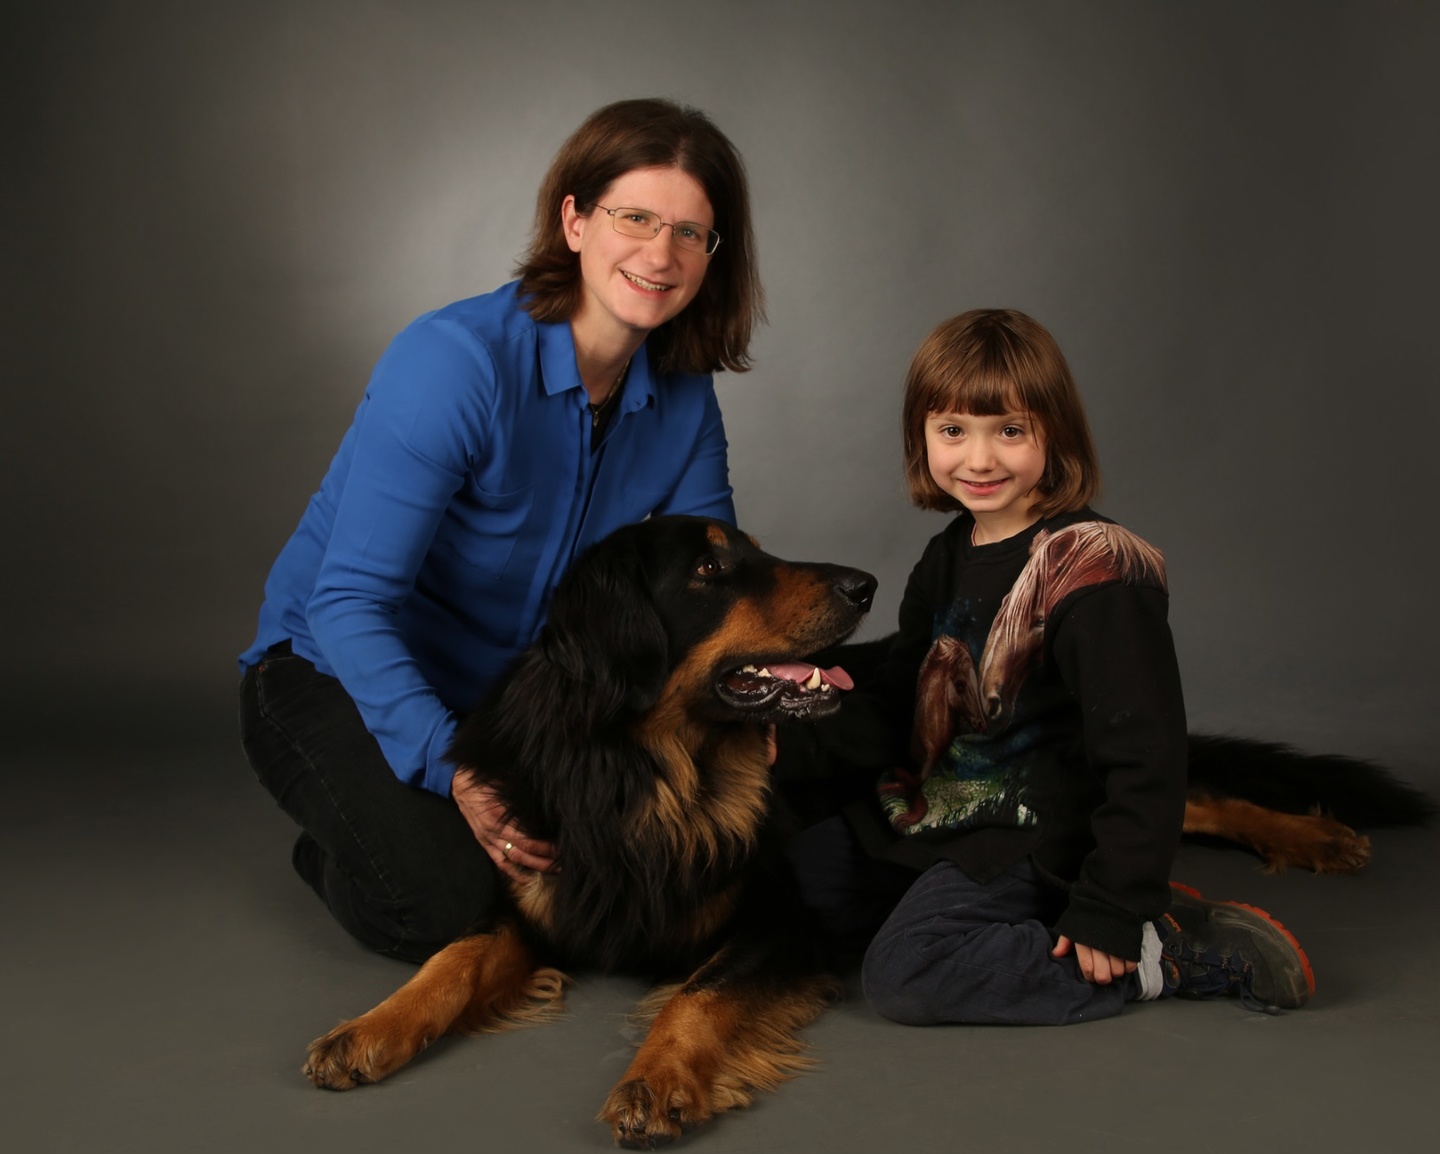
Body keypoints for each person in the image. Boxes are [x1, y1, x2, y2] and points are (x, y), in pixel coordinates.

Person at [238, 98, 762, 963]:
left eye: (691, 233)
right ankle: (339, 835)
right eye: (635, 218)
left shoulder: (685, 391)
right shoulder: (454, 364)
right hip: (328, 671)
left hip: (510, 698)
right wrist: (456, 769)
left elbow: (716, 579)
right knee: (451, 906)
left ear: (714, 254)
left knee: (611, 875)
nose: (660, 255)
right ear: (575, 220)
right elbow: (348, 603)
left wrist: (748, 685)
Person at [775, 309, 1314, 1023]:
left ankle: (1156, 952)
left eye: (1010, 430)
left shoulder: (1100, 572)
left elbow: (1147, 759)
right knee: (774, 897)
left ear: (1053, 432)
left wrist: (1113, 905)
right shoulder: (948, 553)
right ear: (922, 438)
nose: (980, 459)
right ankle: (1058, 920)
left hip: (1031, 835)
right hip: (937, 814)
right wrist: (792, 739)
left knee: (906, 973)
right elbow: (902, 698)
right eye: (953, 431)